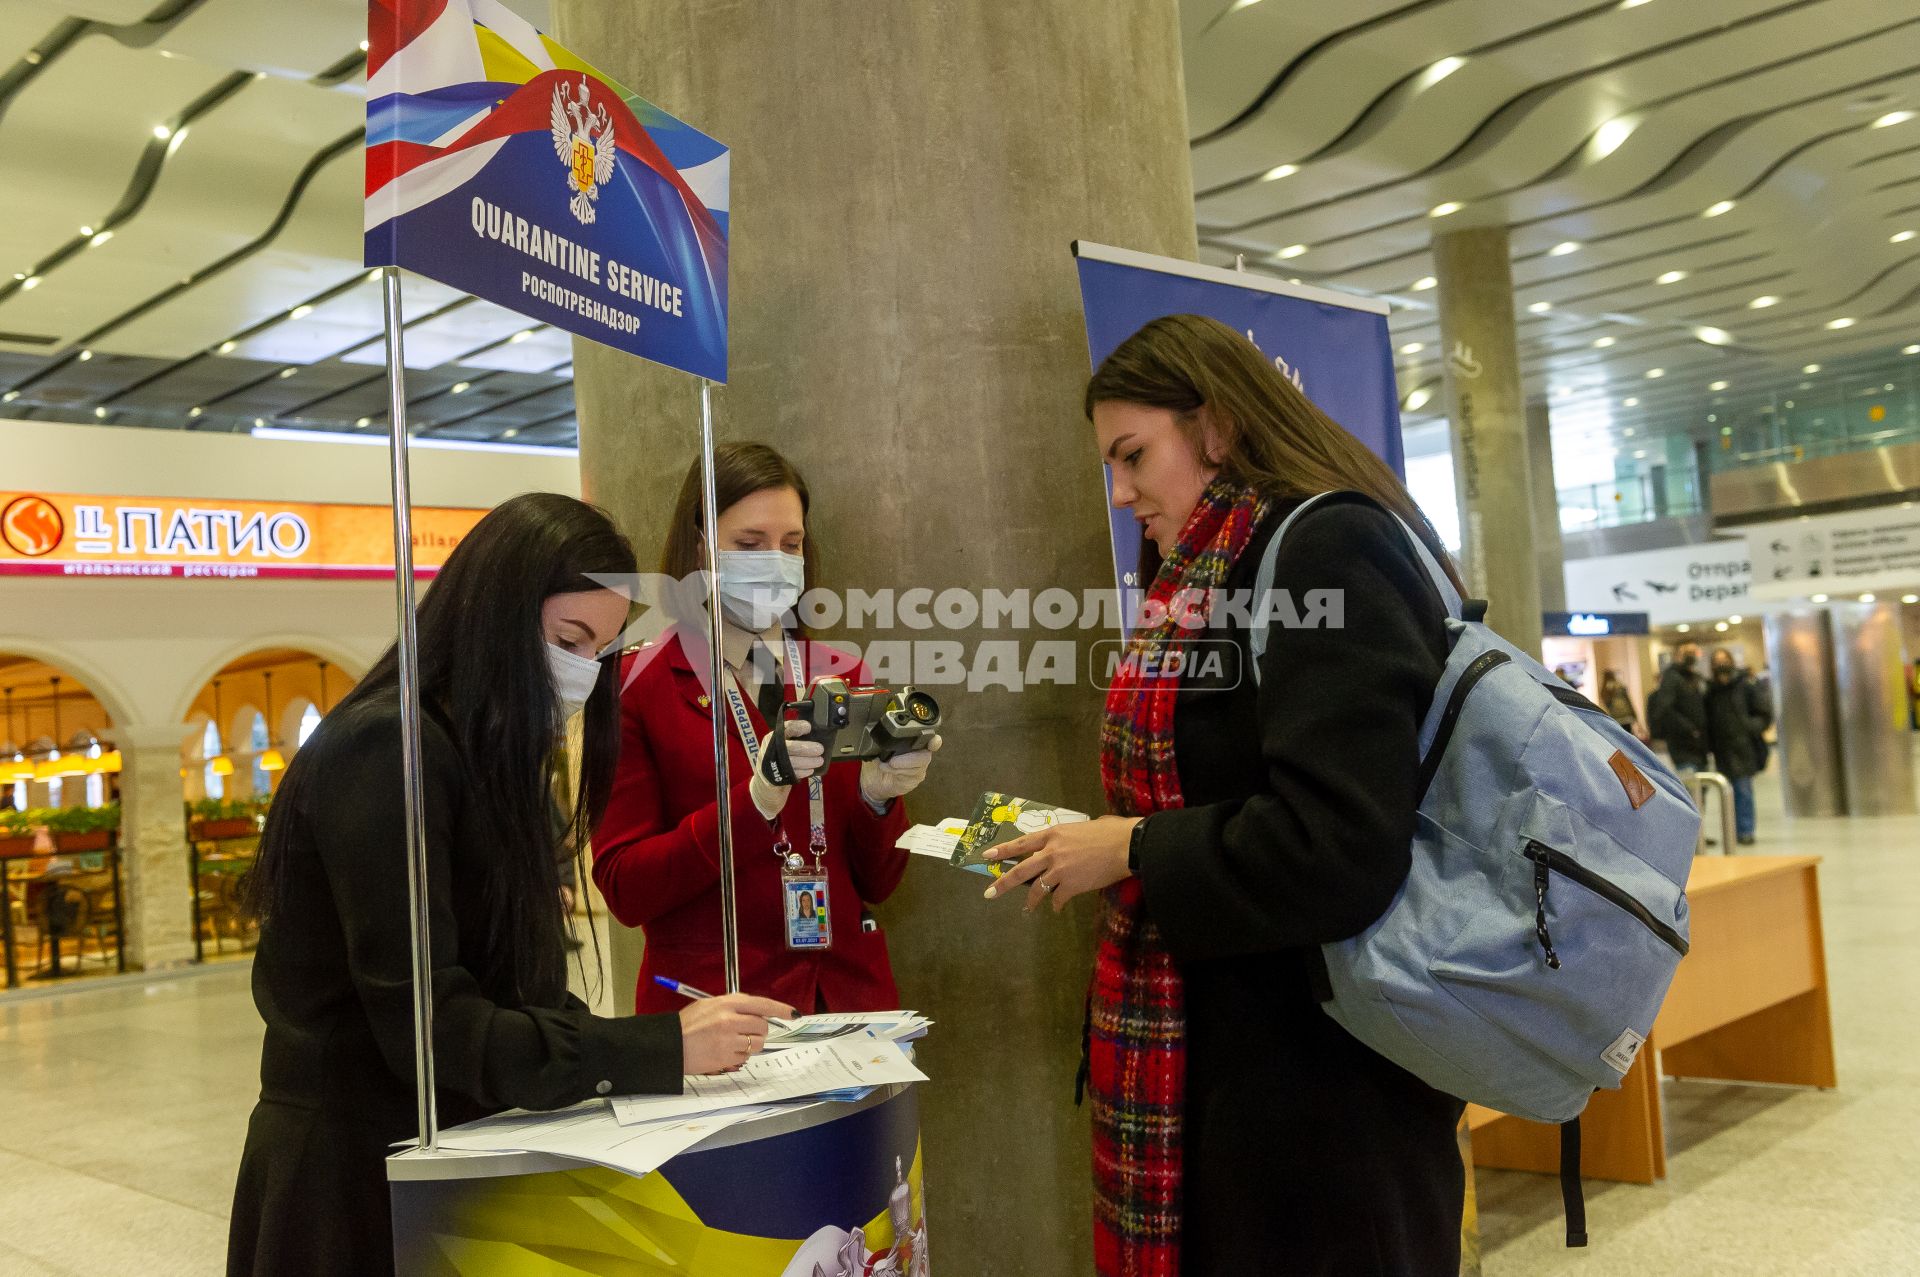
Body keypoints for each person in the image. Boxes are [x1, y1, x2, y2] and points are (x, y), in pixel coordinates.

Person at [982, 314, 1466, 1275]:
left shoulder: (1325, 548)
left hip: (1326, 1104)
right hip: (1231, 1080)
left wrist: (1129, 850)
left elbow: (1343, 845)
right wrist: (1109, 839)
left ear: (1217, 426)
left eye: (1133, 457)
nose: (1121, 496)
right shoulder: (1209, 569)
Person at [227, 494, 790, 1277]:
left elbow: (514, 991)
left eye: (599, 650)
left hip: (443, 1158)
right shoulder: (390, 750)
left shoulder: (482, 755)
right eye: (568, 640)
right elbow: (434, 1028)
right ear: (496, 613)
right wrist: (656, 1044)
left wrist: (661, 1048)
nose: (582, 671)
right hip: (351, 1180)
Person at [594, 444, 940, 1015]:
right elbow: (626, 888)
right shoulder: (637, 683)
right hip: (717, 1006)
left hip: (850, 1005)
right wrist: (752, 804)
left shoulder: (841, 673)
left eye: (791, 544)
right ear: (700, 546)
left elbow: (876, 883)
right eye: (750, 545)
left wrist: (879, 802)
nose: (774, 561)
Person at [1705, 648, 1772, 845]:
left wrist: (1749, 727)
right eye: (1717, 661)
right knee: (1727, 792)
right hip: (1722, 749)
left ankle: (1746, 830)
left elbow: (1763, 713)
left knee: (1743, 790)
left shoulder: (1745, 685)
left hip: (1744, 747)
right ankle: (1732, 831)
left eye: (1724, 659)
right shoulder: (1710, 691)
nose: (1721, 664)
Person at [1650, 643, 1709, 771]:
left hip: (1700, 744)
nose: (1691, 656)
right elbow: (1665, 709)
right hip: (1682, 743)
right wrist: (1690, 729)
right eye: (1687, 653)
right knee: (1690, 783)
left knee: (1702, 782)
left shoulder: (1696, 678)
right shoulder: (1671, 677)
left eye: (1694, 653)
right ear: (1679, 656)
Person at [1600, 669, 1640, 735]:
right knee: (1628, 736)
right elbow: (1628, 702)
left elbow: (1606, 704)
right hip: (1626, 717)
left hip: (1615, 718)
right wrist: (1635, 716)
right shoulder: (1620, 685)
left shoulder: (1604, 688)